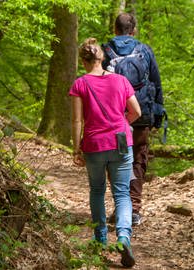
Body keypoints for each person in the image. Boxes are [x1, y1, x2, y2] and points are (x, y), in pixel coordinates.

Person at [69, 37, 141, 268]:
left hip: (94, 143)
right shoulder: (121, 81)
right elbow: (136, 112)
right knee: (121, 193)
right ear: (102, 57)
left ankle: (100, 238)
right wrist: (122, 122)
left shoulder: (80, 84)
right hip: (120, 142)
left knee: (97, 190)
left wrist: (76, 147)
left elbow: (77, 119)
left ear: (83, 61)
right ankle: (123, 237)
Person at [102, 13, 164, 226]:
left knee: (114, 159)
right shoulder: (145, 50)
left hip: (114, 115)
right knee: (138, 158)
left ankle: (121, 208)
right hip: (141, 113)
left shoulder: (105, 51)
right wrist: (157, 115)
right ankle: (134, 209)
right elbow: (156, 83)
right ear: (134, 30)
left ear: (114, 29)